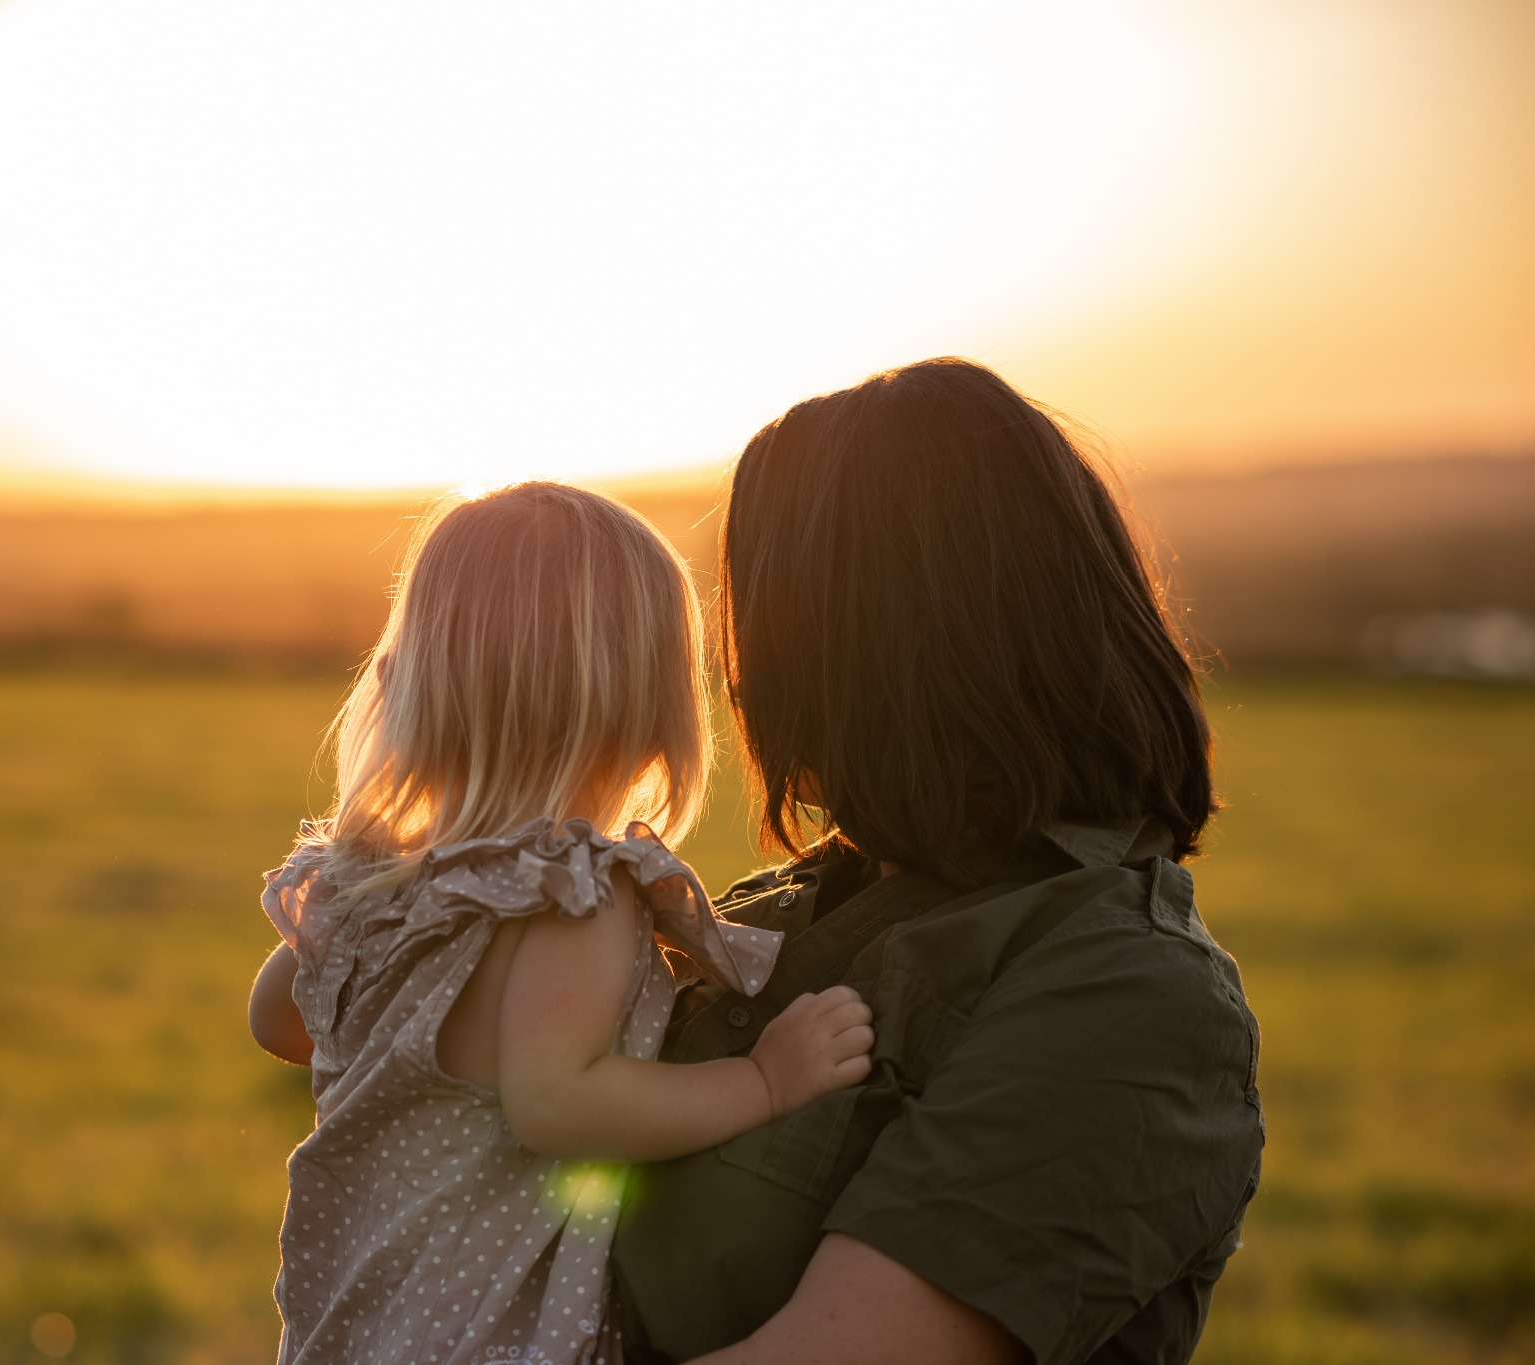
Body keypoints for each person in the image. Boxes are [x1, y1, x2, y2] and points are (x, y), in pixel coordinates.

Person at [609, 358, 1265, 1365]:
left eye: (771, 612)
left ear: (879, 649)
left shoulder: (1124, 992)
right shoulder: (775, 908)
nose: (737, 678)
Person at [247, 481, 876, 1365]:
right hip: (489, 1342)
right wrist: (764, 1084)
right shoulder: (573, 893)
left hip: (345, 1332)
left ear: (411, 684)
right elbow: (557, 1102)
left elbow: (277, 1020)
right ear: (649, 704)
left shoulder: (374, 880)